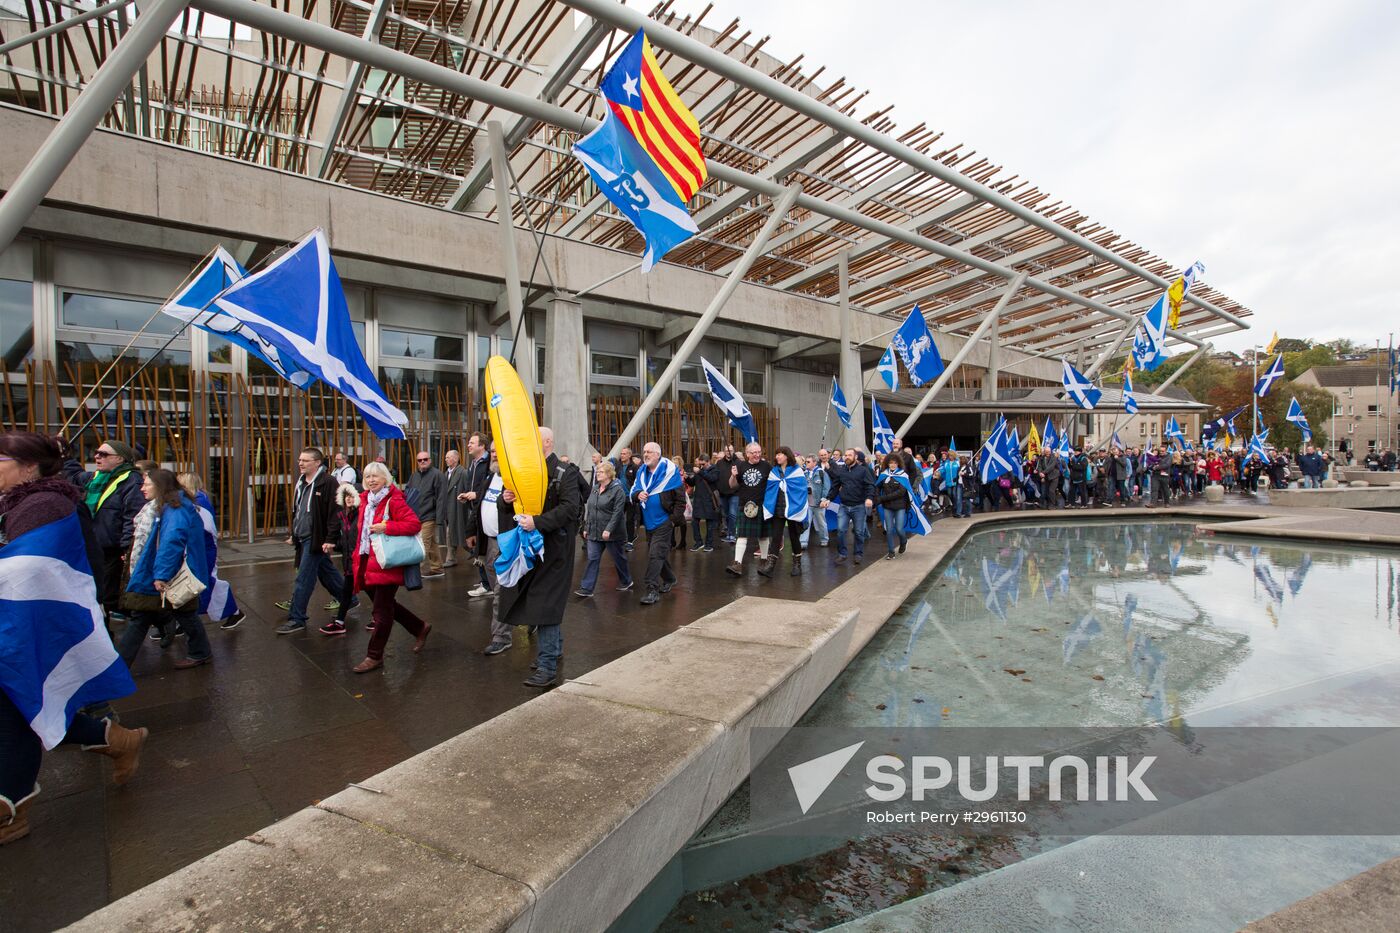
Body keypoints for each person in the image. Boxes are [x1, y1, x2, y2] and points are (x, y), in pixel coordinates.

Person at [0, 432, 149, 846]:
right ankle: (116, 739)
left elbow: (26, 569)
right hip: (22, 620)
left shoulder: (46, 505)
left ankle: (11, 805)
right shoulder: (18, 501)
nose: (97, 458)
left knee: (21, 704)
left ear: (29, 467)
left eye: (0, 459)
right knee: (36, 701)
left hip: (41, 621)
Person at [494, 428, 580, 688]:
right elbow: (507, 505)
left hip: (555, 552)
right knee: (542, 605)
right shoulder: (525, 471)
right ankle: (552, 652)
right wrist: (506, 500)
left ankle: (547, 666)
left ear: (547, 442)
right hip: (530, 551)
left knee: (546, 608)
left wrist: (538, 523)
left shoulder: (567, 472)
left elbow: (570, 509)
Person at [116, 469, 214, 669]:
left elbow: (172, 541)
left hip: (166, 573)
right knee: (176, 614)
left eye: (146, 484)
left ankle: (119, 666)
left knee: (143, 616)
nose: (142, 488)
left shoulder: (174, 508)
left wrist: (162, 574)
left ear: (159, 486)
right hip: (166, 571)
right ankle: (199, 651)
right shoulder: (174, 505)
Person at [349, 462, 431, 674]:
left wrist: (388, 527)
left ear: (386, 478)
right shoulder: (365, 500)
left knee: (381, 612)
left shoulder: (394, 500)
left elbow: (414, 525)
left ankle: (374, 656)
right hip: (366, 561)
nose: (371, 480)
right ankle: (419, 627)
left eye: (375, 476)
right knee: (387, 606)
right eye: (367, 477)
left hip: (387, 563)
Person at [63, 438, 145, 623]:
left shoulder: (131, 480)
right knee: (97, 593)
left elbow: (133, 517)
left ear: (120, 459)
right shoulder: (95, 478)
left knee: (106, 597)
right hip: (92, 547)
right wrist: (65, 455)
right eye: (97, 453)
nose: (97, 457)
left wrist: (127, 548)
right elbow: (73, 476)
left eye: (104, 454)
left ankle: (160, 619)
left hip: (113, 550)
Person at [275, 448, 348, 635]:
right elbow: (299, 510)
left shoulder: (328, 482)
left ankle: (297, 618)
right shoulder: (301, 482)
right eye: (300, 460)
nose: (300, 463)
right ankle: (349, 598)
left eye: (305, 461)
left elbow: (335, 513)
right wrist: (294, 533)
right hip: (303, 536)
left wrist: (330, 539)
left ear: (317, 463)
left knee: (303, 579)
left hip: (316, 538)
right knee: (326, 573)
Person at [177, 472, 245, 629]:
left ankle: (232, 611)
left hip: (202, 549)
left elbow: (202, 529)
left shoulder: (198, 502)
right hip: (199, 548)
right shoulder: (197, 500)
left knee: (205, 582)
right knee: (198, 582)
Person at [632, 443, 685, 605]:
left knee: (655, 554)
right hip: (648, 523)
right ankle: (669, 578)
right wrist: (638, 494)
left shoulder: (670, 473)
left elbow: (680, 501)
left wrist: (672, 521)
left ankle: (651, 589)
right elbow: (634, 491)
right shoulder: (641, 472)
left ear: (658, 454)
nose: (645, 455)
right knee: (659, 554)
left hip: (664, 522)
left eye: (649, 452)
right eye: (644, 452)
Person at [575, 460, 633, 598]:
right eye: (598, 472)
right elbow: (590, 508)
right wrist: (586, 527)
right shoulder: (595, 488)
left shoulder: (617, 490)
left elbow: (618, 512)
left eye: (601, 472)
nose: (598, 474)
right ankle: (587, 588)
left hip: (612, 534)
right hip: (594, 531)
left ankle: (626, 580)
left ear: (608, 474)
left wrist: (609, 529)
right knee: (592, 558)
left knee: (618, 558)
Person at [723, 442, 774, 577]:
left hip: (761, 505)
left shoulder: (767, 466)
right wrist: (733, 476)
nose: (757, 455)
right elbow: (732, 486)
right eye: (753, 453)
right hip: (745, 505)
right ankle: (737, 564)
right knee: (742, 535)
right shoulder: (741, 466)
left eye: (759, 452)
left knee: (763, 535)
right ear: (747, 454)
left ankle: (764, 562)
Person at [320, 482, 361, 636]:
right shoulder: (343, 515)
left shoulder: (360, 514)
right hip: (349, 561)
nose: (349, 499)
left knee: (372, 591)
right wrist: (332, 545)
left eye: (352, 496)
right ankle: (339, 622)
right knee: (346, 592)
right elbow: (345, 541)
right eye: (346, 496)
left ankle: (379, 618)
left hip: (359, 560)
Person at [457, 432, 493, 597]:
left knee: (482, 547)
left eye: (472, 442)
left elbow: (489, 487)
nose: (468, 445)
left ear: (482, 446)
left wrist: (476, 495)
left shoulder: (489, 463)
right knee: (475, 546)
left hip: (484, 510)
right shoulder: (473, 463)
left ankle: (487, 584)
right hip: (474, 508)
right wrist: (467, 495)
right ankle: (485, 580)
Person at [823, 448, 874, 564]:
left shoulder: (863, 471)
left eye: (849, 455)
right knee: (840, 531)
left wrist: (869, 498)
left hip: (859, 506)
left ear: (855, 457)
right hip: (844, 506)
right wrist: (828, 499)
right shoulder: (841, 471)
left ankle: (858, 554)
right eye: (845, 455)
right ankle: (842, 554)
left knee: (859, 532)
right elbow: (835, 487)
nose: (847, 457)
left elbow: (870, 486)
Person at [764, 447, 808, 577]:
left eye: (780, 454)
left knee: (794, 537)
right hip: (778, 509)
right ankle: (770, 566)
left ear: (787, 456)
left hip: (793, 510)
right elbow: (770, 490)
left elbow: (801, 490)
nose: (777, 456)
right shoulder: (774, 471)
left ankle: (797, 565)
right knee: (776, 537)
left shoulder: (797, 471)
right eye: (776, 454)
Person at [405, 451, 445, 578]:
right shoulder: (414, 476)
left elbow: (441, 498)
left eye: (425, 459)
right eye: (419, 460)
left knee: (422, 544)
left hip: (430, 515)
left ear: (430, 460)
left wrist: (439, 518)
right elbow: (408, 493)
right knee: (431, 542)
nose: (422, 462)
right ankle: (437, 568)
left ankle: (415, 573)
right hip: (416, 515)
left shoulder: (438, 475)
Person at [874, 452, 911, 559]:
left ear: (898, 464)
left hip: (900, 506)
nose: (893, 465)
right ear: (887, 464)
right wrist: (877, 496)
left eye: (895, 463)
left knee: (899, 529)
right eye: (890, 463)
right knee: (889, 530)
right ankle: (891, 552)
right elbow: (877, 486)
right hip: (887, 507)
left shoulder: (903, 475)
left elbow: (901, 492)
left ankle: (903, 541)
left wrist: (882, 498)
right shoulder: (884, 474)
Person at [687, 454, 719, 552]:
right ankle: (698, 542)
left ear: (708, 462)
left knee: (709, 523)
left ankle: (709, 544)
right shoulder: (700, 471)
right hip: (698, 500)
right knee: (694, 522)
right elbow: (693, 482)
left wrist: (700, 472)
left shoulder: (715, 470)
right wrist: (687, 478)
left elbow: (712, 479)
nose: (701, 466)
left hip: (709, 500)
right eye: (700, 464)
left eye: (703, 464)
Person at [440, 449, 467, 567]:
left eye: (448, 457)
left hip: (459, 509)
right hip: (448, 509)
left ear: (456, 459)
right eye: (446, 457)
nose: (446, 459)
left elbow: (467, 490)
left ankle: (478, 555)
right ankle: (451, 558)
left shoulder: (463, 473)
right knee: (450, 533)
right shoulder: (446, 474)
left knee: (460, 535)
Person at [801, 455, 830, 549]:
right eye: (806, 462)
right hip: (807, 503)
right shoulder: (804, 473)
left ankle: (824, 539)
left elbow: (826, 488)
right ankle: (803, 541)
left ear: (814, 462)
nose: (806, 463)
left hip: (818, 503)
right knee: (806, 522)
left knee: (821, 522)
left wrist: (823, 499)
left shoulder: (821, 473)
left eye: (808, 462)